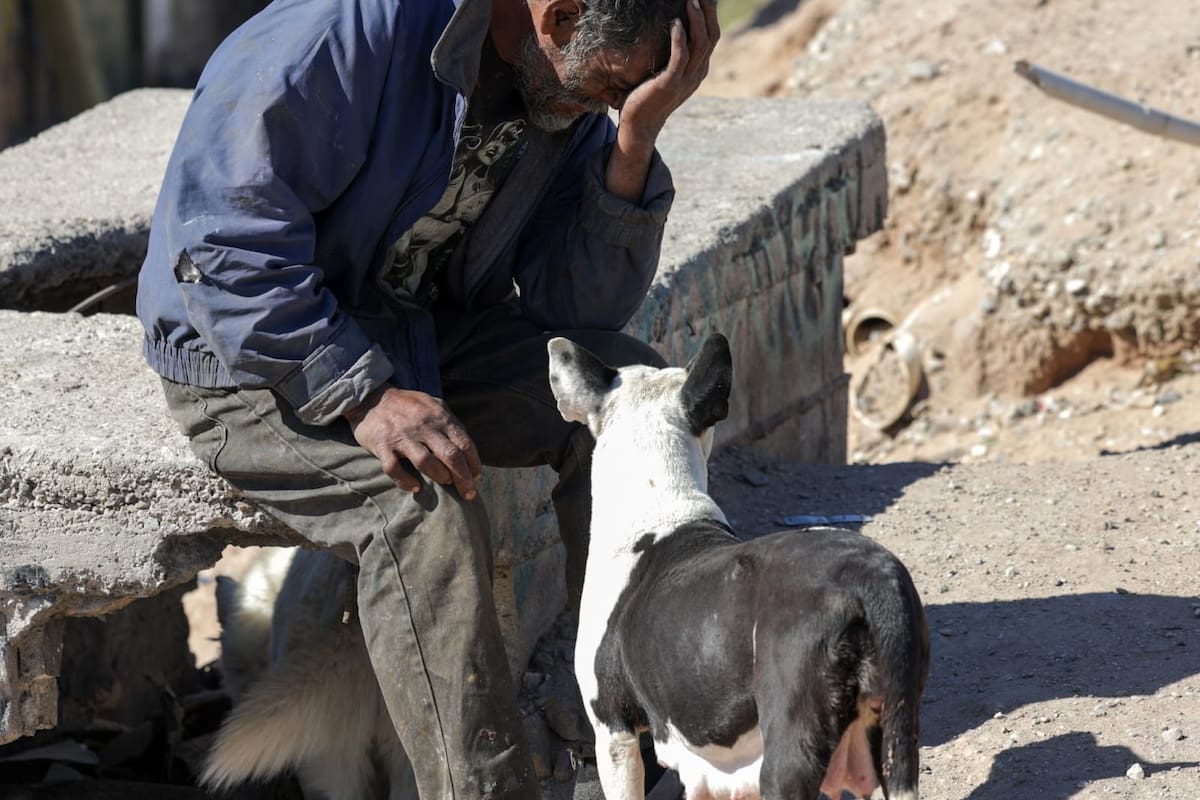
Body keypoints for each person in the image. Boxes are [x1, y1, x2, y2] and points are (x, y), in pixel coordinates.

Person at [135, 0, 719, 797]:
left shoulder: (559, 82)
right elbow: (224, 247)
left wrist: (635, 140)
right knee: (420, 510)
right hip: (251, 355)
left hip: (412, 337)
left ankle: (617, 734)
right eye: (614, 87)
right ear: (562, 17)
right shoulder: (342, 33)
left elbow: (578, 310)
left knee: (624, 400)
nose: (610, 105)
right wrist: (363, 395)